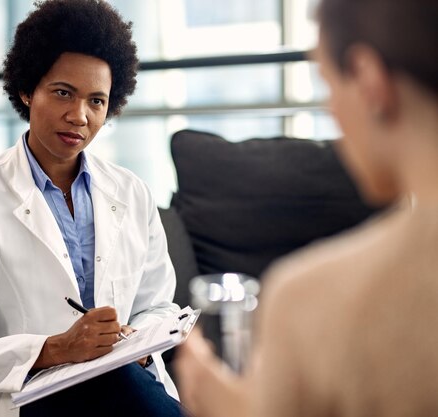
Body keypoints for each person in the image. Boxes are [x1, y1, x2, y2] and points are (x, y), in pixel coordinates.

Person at [174, 0, 438, 416]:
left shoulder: (312, 302)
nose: (332, 110)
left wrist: (226, 407)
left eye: (329, 85)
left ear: (370, 81)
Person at [0, 1, 184, 416]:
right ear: (27, 90)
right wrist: (58, 348)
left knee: (118, 380)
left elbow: (158, 305)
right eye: (63, 92)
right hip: (24, 397)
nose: (79, 116)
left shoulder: (131, 192)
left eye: (96, 101)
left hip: (119, 384)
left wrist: (138, 338)